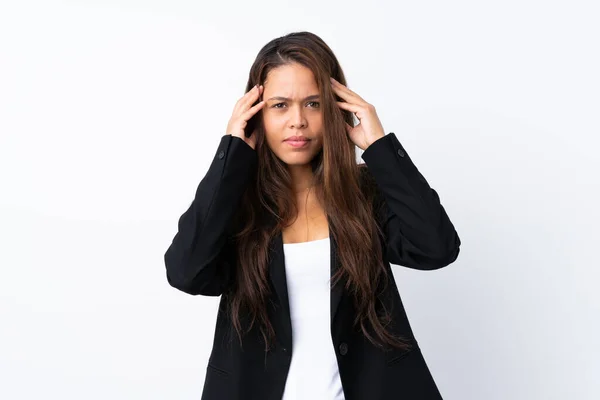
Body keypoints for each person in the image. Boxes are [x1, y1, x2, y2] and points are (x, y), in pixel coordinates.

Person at [164, 31, 461, 400]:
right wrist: (230, 154)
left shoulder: (364, 193)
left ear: (337, 107)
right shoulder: (236, 202)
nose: (298, 121)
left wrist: (380, 148)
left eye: (314, 104)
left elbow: (438, 248)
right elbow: (186, 272)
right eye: (279, 105)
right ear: (254, 113)